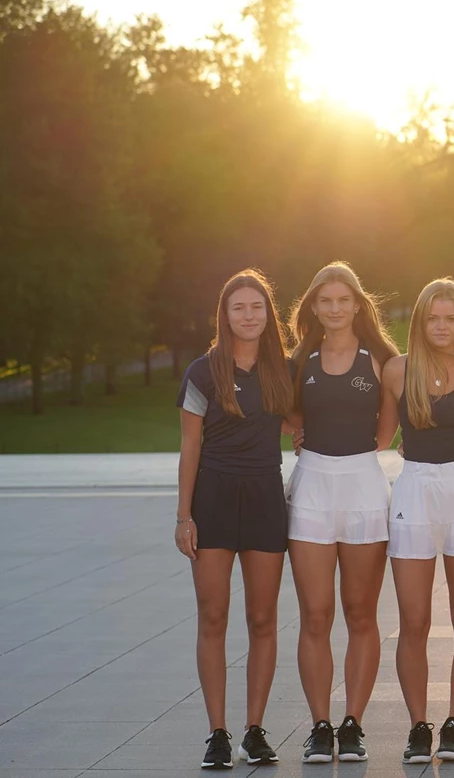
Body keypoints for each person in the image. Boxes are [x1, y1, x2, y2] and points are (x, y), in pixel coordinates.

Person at [175, 269, 293, 770]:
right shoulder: (204, 371)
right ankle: (218, 733)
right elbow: (189, 444)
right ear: (224, 315)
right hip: (214, 499)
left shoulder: (284, 369)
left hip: (266, 497)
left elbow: (303, 422)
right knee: (214, 616)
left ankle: (254, 731)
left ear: (269, 315)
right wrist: (183, 515)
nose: (249, 315)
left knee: (263, 619)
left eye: (257, 307)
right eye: (238, 308)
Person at [377, 278, 454, 765]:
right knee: (415, 621)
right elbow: (381, 436)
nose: (443, 326)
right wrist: (306, 432)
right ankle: (418, 727)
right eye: (434, 318)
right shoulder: (396, 370)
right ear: (420, 322)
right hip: (414, 491)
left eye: (451, 318)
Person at [283, 262, 399, 763]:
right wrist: (300, 432)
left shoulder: (381, 359)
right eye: (324, 301)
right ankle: (320, 726)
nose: (333, 309)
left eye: (342, 300)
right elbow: (283, 409)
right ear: (313, 307)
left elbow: (385, 433)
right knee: (315, 615)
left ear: (358, 304)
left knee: (359, 613)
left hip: (363, 487)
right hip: (310, 486)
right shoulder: (297, 360)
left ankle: (352, 724)